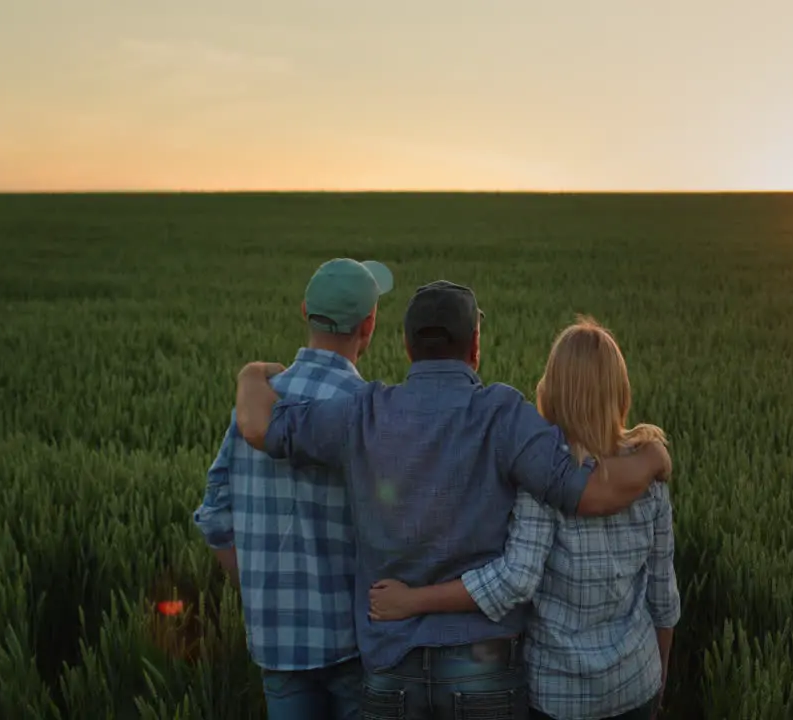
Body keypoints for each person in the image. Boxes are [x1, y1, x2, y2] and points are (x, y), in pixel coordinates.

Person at [232, 280, 672, 720]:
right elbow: (589, 493)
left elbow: (259, 426)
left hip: (391, 662)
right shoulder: (503, 414)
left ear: (406, 345)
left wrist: (250, 373)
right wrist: (652, 456)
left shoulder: (363, 413)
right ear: (475, 345)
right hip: (485, 671)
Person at [366, 316, 680, 720]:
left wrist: (412, 600)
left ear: (553, 388)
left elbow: (516, 579)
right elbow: (663, 596)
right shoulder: (649, 473)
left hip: (558, 693)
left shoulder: (543, 475)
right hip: (635, 683)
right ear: (620, 390)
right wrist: (661, 677)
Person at [192, 257, 394, 720]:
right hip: (355, 641)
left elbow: (214, 515)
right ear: (370, 325)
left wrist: (262, 585)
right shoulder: (372, 412)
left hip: (276, 640)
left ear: (305, 311)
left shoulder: (252, 409)